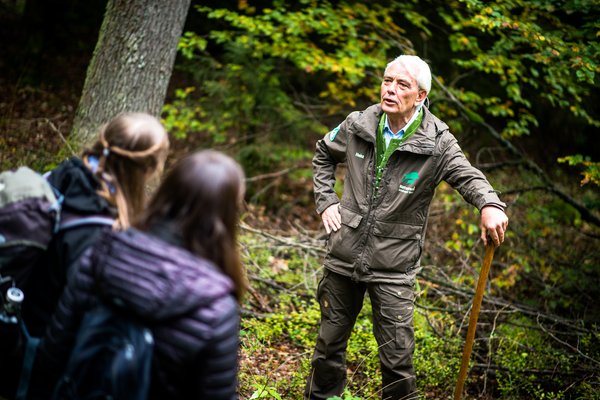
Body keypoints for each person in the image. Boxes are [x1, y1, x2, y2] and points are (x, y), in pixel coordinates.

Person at [305, 55, 509, 400]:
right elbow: (323, 153)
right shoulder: (359, 124)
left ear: (421, 96)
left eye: (402, 84)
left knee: (397, 360)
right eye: (387, 80)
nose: (390, 89)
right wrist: (326, 200)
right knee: (328, 349)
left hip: (394, 267)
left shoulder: (437, 142)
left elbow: (468, 176)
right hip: (343, 256)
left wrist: (489, 203)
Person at [27, 150, 246, 399]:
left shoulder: (104, 250)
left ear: (167, 191)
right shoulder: (217, 309)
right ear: (227, 216)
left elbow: (54, 350)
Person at [22, 111, 170, 337]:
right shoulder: (99, 227)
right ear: (148, 171)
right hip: (36, 341)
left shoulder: (63, 175)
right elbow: (79, 310)